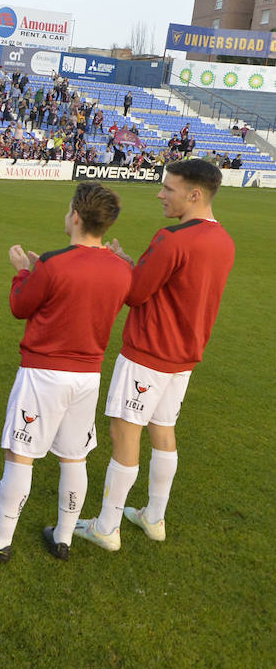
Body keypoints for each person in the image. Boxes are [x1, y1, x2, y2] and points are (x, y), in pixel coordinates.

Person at [0, 183, 131, 562]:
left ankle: (0, 540)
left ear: (76, 217)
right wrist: (41, 273)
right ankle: (63, 537)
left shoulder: (55, 263)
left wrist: (23, 272)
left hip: (44, 372)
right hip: (88, 376)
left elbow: (21, 305)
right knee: (74, 456)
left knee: (20, 453)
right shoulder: (120, 269)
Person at [74, 159, 235, 551]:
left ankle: (107, 526)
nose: (161, 194)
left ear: (194, 194)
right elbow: (170, 286)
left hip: (149, 351)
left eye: (169, 188)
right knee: (163, 431)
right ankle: (154, 516)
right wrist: (131, 263)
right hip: (185, 355)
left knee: (124, 432)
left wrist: (118, 264)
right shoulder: (224, 241)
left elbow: (136, 293)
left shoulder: (173, 238)